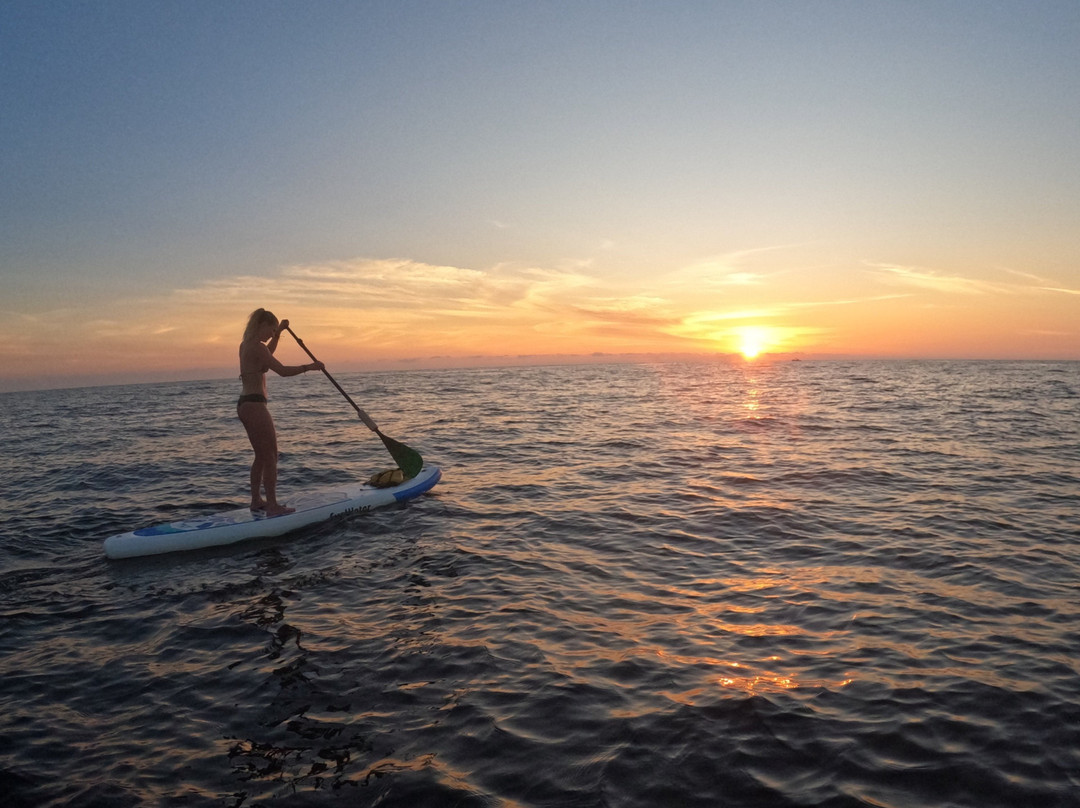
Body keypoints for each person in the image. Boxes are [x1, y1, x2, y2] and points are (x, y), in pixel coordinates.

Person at [237, 309, 324, 516]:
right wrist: (309, 366)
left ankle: (257, 500)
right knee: (270, 456)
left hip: (245, 405)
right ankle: (273, 506)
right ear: (261, 325)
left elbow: (267, 356)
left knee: (261, 455)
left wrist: (278, 333)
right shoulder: (257, 348)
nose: (271, 335)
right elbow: (282, 371)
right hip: (255, 406)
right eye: (271, 330)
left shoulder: (246, 346)